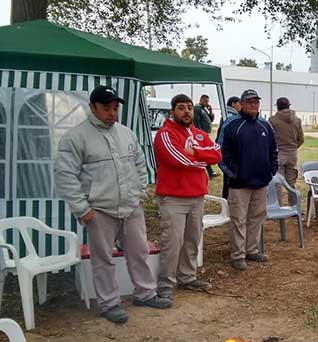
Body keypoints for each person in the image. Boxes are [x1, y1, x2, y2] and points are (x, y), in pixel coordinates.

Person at [54, 86, 171, 324]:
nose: (112, 113)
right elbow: (65, 176)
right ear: (92, 107)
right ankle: (109, 303)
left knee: (139, 253)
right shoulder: (76, 137)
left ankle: (145, 293)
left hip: (131, 208)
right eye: (106, 108)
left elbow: (140, 164)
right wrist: (82, 209)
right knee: (103, 259)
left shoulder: (126, 133)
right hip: (100, 211)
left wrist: (139, 193)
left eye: (115, 108)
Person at [153, 94, 222, 303]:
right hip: (173, 198)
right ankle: (165, 285)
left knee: (192, 240)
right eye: (181, 108)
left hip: (196, 196)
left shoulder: (199, 134)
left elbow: (218, 153)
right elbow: (179, 160)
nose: (186, 112)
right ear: (172, 111)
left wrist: (196, 152)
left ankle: (187, 277)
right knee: (172, 242)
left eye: (189, 107)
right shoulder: (165, 134)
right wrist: (203, 160)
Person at [219, 89, 278, 270]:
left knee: (257, 217)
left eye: (256, 102)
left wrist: (271, 171)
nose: (254, 105)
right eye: (250, 102)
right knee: (238, 219)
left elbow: (273, 151)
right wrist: (233, 173)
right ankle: (238, 255)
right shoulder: (231, 124)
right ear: (242, 104)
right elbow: (220, 152)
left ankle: (252, 250)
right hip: (239, 184)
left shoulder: (265, 126)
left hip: (261, 182)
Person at [269, 97, 305, 205]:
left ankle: (277, 205)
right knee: (291, 182)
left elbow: (269, 139)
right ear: (289, 106)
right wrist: (293, 147)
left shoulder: (272, 120)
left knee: (277, 183)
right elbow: (301, 139)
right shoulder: (297, 120)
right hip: (292, 154)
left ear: (278, 107)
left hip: (278, 154)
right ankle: (293, 205)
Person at [193, 94, 220, 178]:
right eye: (205, 101)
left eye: (207, 101)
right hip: (200, 135)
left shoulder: (203, 109)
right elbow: (196, 122)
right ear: (201, 100)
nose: (206, 103)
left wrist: (211, 111)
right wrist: (199, 134)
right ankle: (209, 172)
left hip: (204, 134)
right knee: (203, 153)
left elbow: (210, 120)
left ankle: (210, 172)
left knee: (204, 153)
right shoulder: (197, 109)